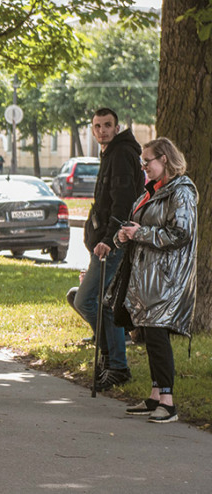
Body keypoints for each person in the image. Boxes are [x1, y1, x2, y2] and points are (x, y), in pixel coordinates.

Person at [113, 138, 197, 423]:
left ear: (164, 159)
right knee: (149, 336)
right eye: (142, 162)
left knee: (158, 337)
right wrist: (123, 235)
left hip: (166, 278)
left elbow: (181, 233)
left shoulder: (181, 192)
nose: (144, 167)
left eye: (147, 161)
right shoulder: (152, 191)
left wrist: (139, 233)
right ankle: (154, 396)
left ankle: (168, 403)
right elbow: (137, 226)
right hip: (146, 277)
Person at [73, 108, 144, 391]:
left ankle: (116, 363)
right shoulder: (111, 153)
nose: (102, 130)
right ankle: (112, 361)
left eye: (107, 125)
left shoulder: (121, 154)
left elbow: (123, 202)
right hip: (104, 241)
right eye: (97, 126)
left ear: (117, 127)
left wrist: (109, 239)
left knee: (87, 301)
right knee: (102, 302)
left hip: (112, 243)